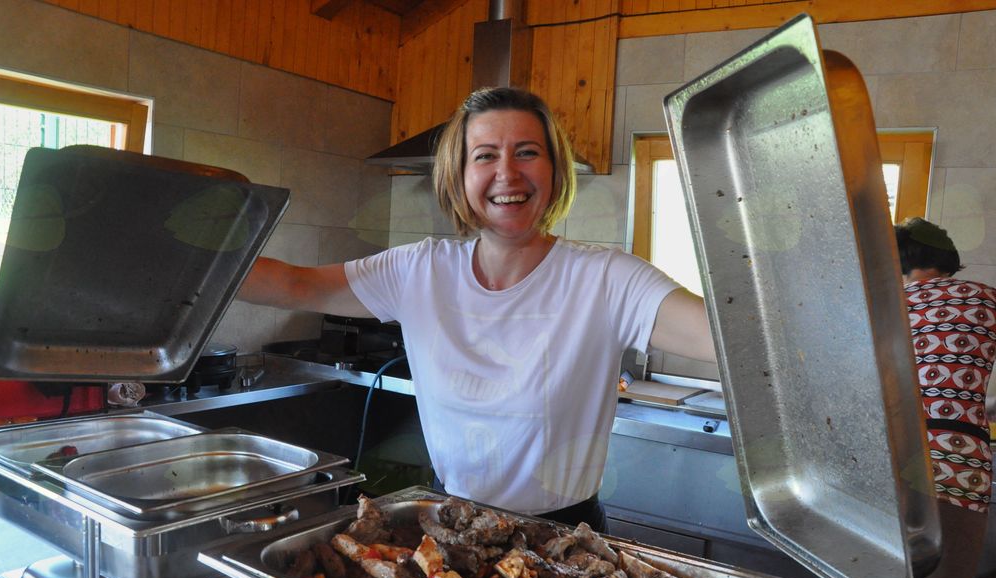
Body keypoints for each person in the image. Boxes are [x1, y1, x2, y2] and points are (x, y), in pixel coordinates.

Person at [239, 87, 715, 531]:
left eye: (527, 152)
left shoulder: (608, 279)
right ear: (460, 175)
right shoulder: (418, 270)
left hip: (565, 534)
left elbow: (719, 337)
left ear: (554, 171)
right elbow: (294, 284)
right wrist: (198, 249)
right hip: (453, 524)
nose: (507, 173)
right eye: (485, 155)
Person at [892, 217, 996, 578]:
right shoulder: (989, 298)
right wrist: (988, 406)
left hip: (881, 469)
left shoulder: (886, 305)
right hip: (955, 470)